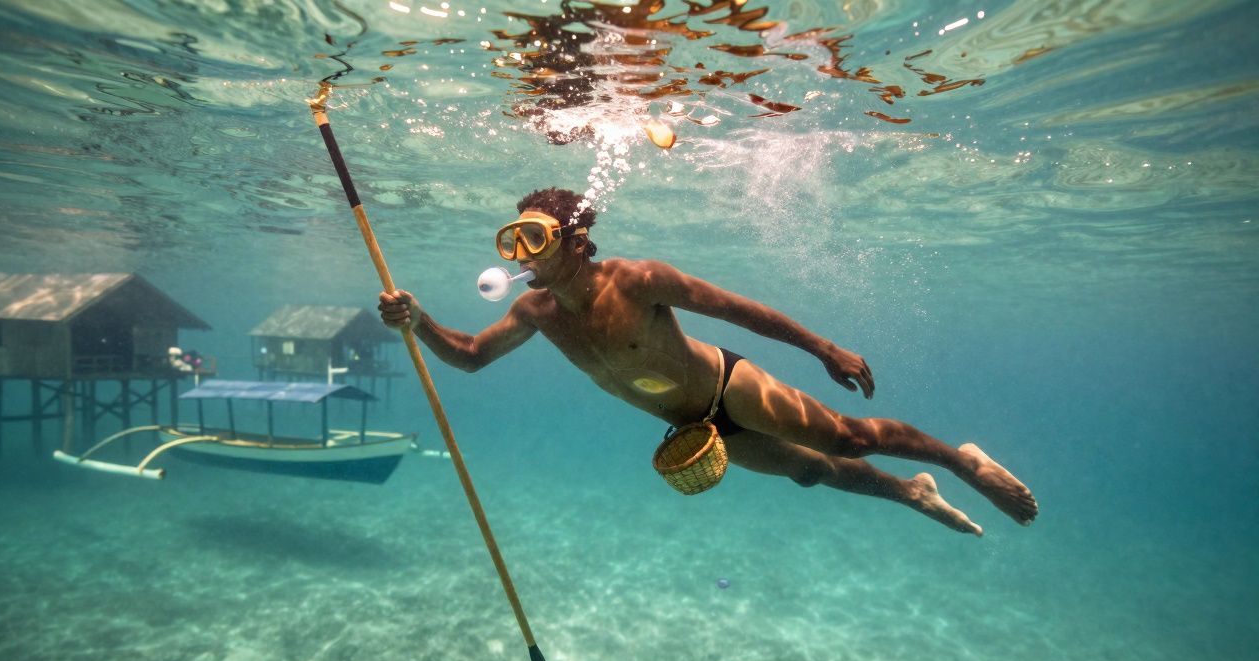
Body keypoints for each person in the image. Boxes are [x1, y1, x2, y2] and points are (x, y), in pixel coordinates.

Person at [378, 188, 1037, 535]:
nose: (521, 255)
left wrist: (823, 348)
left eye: (534, 238)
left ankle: (962, 462)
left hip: (730, 385)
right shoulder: (535, 312)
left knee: (847, 438)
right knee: (812, 473)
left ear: (575, 242)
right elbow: (469, 357)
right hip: (697, 428)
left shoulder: (637, 280)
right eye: (513, 240)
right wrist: (418, 320)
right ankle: (912, 492)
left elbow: (736, 310)